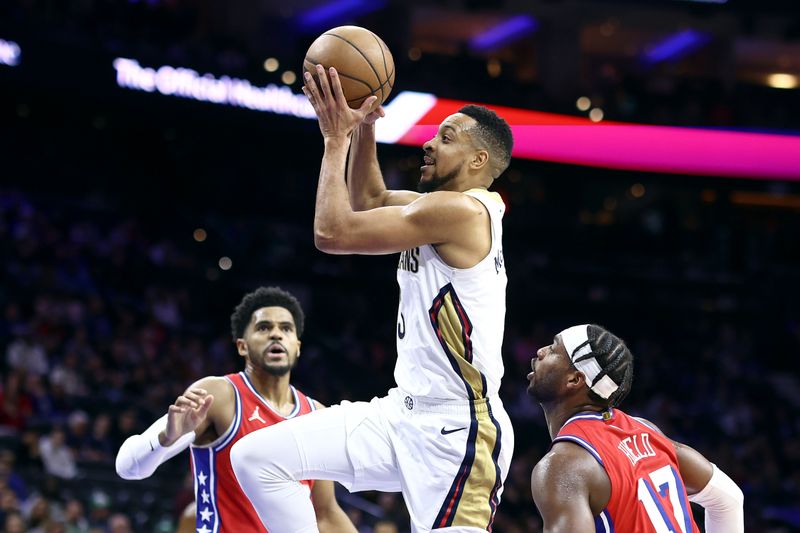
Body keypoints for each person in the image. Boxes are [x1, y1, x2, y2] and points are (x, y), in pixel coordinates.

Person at [231, 65, 515, 533]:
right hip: (401, 412)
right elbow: (367, 198)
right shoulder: (438, 208)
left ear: (478, 160)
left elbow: (332, 231)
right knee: (257, 458)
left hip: (458, 431)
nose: (428, 143)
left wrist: (334, 138)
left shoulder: (462, 210)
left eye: (446, 138)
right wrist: (365, 124)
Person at [115, 287, 356, 533]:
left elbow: (326, 513)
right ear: (242, 346)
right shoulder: (218, 395)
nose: (276, 334)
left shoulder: (316, 414)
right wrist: (168, 437)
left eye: (286, 328)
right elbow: (128, 467)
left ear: (297, 346)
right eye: (264, 327)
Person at [527, 324, 744, 532]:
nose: (541, 351)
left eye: (554, 349)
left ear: (574, 379)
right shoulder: (647, 431)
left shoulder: (562, 466)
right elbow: (729, 499)